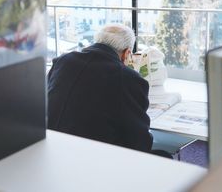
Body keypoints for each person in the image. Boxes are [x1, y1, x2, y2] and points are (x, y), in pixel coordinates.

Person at [47, 24, 153, 152]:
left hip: (50, 145)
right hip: (93, 156)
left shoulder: (63, 61)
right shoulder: (127, 78)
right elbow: (140, 140)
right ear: (127, 53)